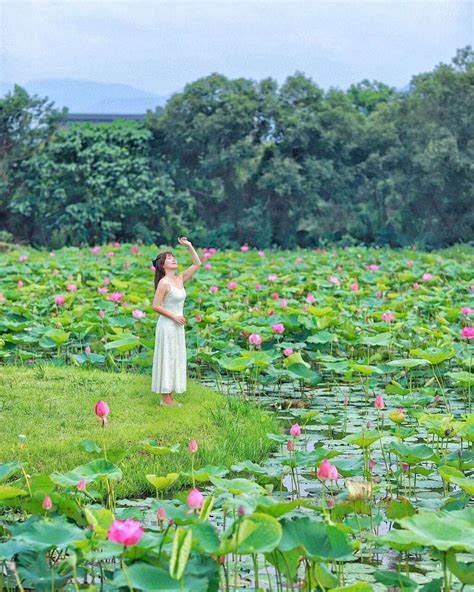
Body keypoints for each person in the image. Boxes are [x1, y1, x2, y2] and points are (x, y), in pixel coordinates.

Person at [151, 237, 201, 407]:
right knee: (167, 356)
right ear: (163, 265)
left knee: (175, 357)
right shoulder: (164, 283)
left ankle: (170, 396)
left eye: (174, 257)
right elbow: (155, 306)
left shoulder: (179, 278)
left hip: (177, 325)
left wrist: (189, 246)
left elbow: (197, 264)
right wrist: (174, 317)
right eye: (169, 258)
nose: (174, 259)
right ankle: (165, 398)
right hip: (167, 325)